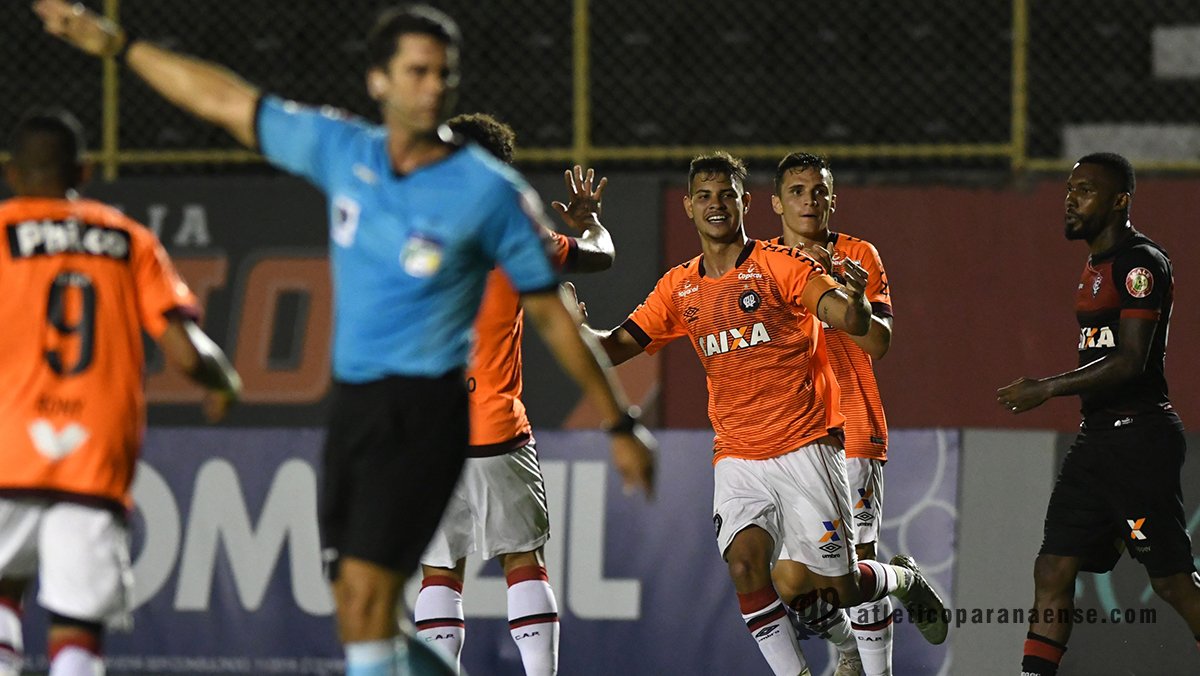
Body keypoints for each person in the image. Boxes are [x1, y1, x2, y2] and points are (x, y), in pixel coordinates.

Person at [33, 4, 656, 675]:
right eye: (417, 71)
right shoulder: (342, 150)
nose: (433, 87)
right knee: (358, 606)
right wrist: (119, 47)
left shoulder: (488, 193)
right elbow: (224, 100)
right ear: (378, 81)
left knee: (384, 593)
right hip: (357, 408)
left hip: (429, 413)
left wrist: (618, 422)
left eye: (444, 74)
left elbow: (554, 317)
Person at [566, 152, 945, 676]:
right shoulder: (679, 287)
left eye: (726, 195)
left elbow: (846, 317)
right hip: (737, 457)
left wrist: (855, 304)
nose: (715, 205)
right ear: (689, 208)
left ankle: (899, 580)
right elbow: (613, 347)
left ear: (745, 203)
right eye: (704, 196)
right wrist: (574, 330)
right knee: (747, 568)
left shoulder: (781, 265)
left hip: (807, 446)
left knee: (841, 585)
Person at [0, 109, 242, 676]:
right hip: (93, 456)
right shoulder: (126, 237)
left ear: (12, 174)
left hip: (7, 446)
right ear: (84, 171)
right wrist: (224, 380)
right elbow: (185, 352)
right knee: (77, 629)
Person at [414, 113, 615, 675]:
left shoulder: (412, 229)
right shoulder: (515, 231)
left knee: (438, 571)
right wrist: (589, 223)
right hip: (497, 428)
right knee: (524, 561)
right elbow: (600, 256)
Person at [996, 152, 1200, 676]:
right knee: (1053, 567)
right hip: (1097, 442)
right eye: (1069, 189)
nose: (1070, 199)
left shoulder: (1140, 263)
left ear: (1119, 201)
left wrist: (1048, 388)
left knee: (1172, 582)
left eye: (1085, 190)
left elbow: (1131, 361)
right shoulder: (1095, 264)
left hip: (1138, 441)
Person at [767, 153, 897, 676]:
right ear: (776, 202)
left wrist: (855, 299)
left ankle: (877, 669)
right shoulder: (764, 263)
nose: (809, 200)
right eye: (797, 191)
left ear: (833, 198)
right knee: (791, 583)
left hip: (853, 428)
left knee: (856, 559)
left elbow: (881, 343)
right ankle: (847, 646)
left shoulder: (858, 255)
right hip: (791, 437)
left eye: (819, 191)